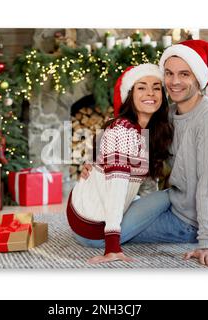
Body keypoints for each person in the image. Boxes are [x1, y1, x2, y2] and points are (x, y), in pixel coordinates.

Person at [80, 40, 208, 267]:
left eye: (184, 74)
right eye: (169, 74)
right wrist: (96, 161)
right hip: (173, 199)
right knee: (92, 224)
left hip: (186, 219)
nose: (175, 82)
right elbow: (128, 134)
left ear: (199, 78)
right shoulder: (168, 113)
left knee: (92, 237)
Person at [66, 64, 174, 264]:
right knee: (171, 195)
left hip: (83, 216)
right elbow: (116, 187)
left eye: (156, 87)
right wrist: (113, 248)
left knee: (157, 204)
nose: (150, 92)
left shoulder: (145, 132)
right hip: (92, 229)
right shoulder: (123, 131)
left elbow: (143, 184)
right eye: (141, 87)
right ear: (130, 95)